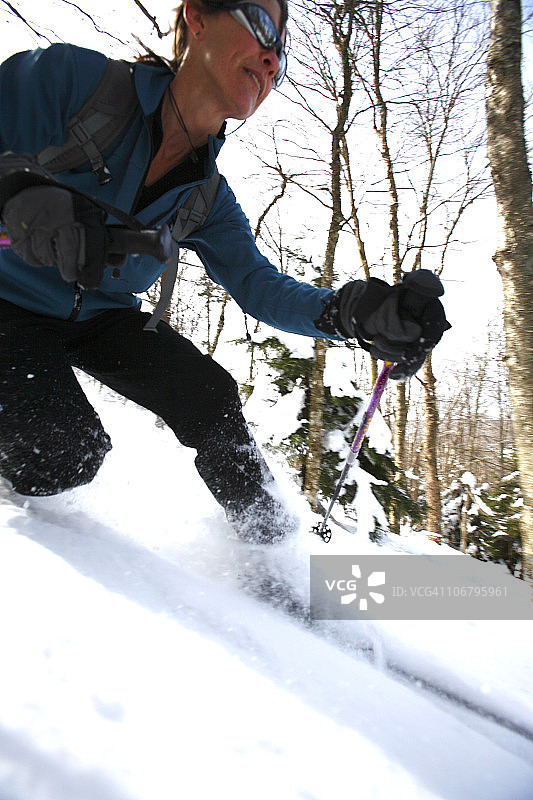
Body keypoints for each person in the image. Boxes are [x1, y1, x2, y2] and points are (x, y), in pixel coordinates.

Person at [0, 0, 449, 543]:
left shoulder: (207, 197)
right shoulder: (73, 82)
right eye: (261, 25)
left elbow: (258, 285)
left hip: (99, 316)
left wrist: (353, 312)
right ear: (198, 18)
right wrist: (18, 193)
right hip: (6, 299)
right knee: (63, 452)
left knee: (209, 397)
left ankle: (277, 554)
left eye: (280, 49)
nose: (270, 58)